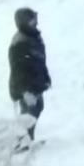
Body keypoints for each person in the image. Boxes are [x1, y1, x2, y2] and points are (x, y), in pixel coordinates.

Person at [9, 7, 51, 140]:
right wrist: (25, 92)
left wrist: (45, 78)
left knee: (37, 109)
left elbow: (39, 61)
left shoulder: (33, 36)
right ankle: (22, 143)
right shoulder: (19, 43)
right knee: (28, 115)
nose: (36, 22)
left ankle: (28, 140)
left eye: (35, 19)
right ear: (24, 23)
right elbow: (17, 70)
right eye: (32, 20)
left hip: (35, 82)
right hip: (25, 86)